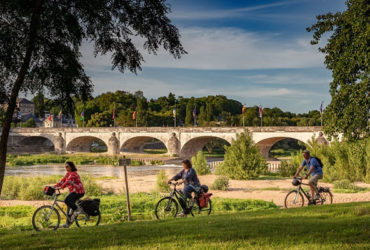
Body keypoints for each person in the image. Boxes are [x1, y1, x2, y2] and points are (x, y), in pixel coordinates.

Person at [54, 161, 85, 227]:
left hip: (79, 191)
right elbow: (63, 180)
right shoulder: (68, 173)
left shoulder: (74, 174)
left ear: (71, 167)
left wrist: (62, 187)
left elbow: (67, 182)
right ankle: (67, 224)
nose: (66, 167)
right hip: (74, 191)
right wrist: (56, 185)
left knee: (66, 200)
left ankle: (77, 209)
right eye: (65, 166)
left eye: (67, 166)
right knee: (69, 206)